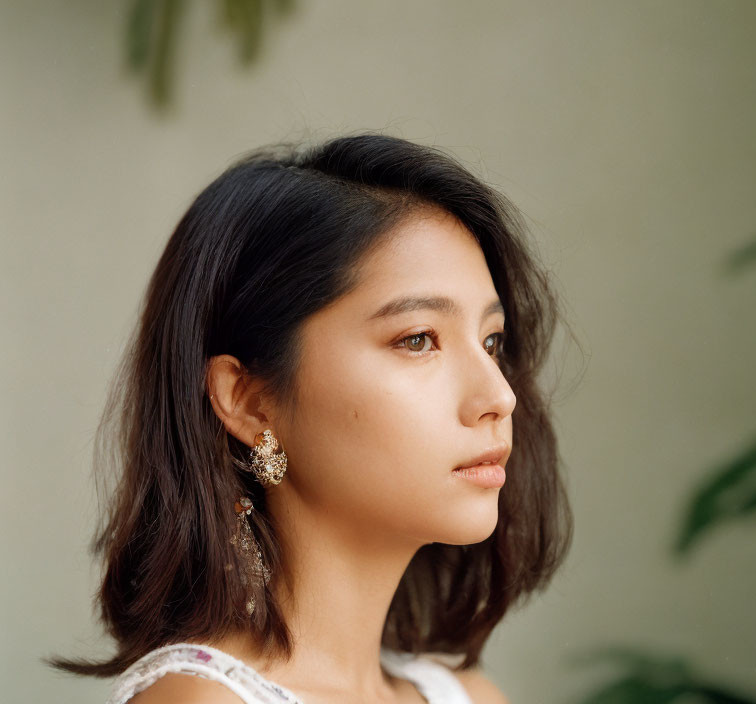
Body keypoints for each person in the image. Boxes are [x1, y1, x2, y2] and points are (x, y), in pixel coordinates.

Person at [47, 134, 574, 703]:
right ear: (249, 400)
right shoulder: (202, 701)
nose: (500, 396)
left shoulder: (470, 696)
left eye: (492, 341)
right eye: (418, 339)